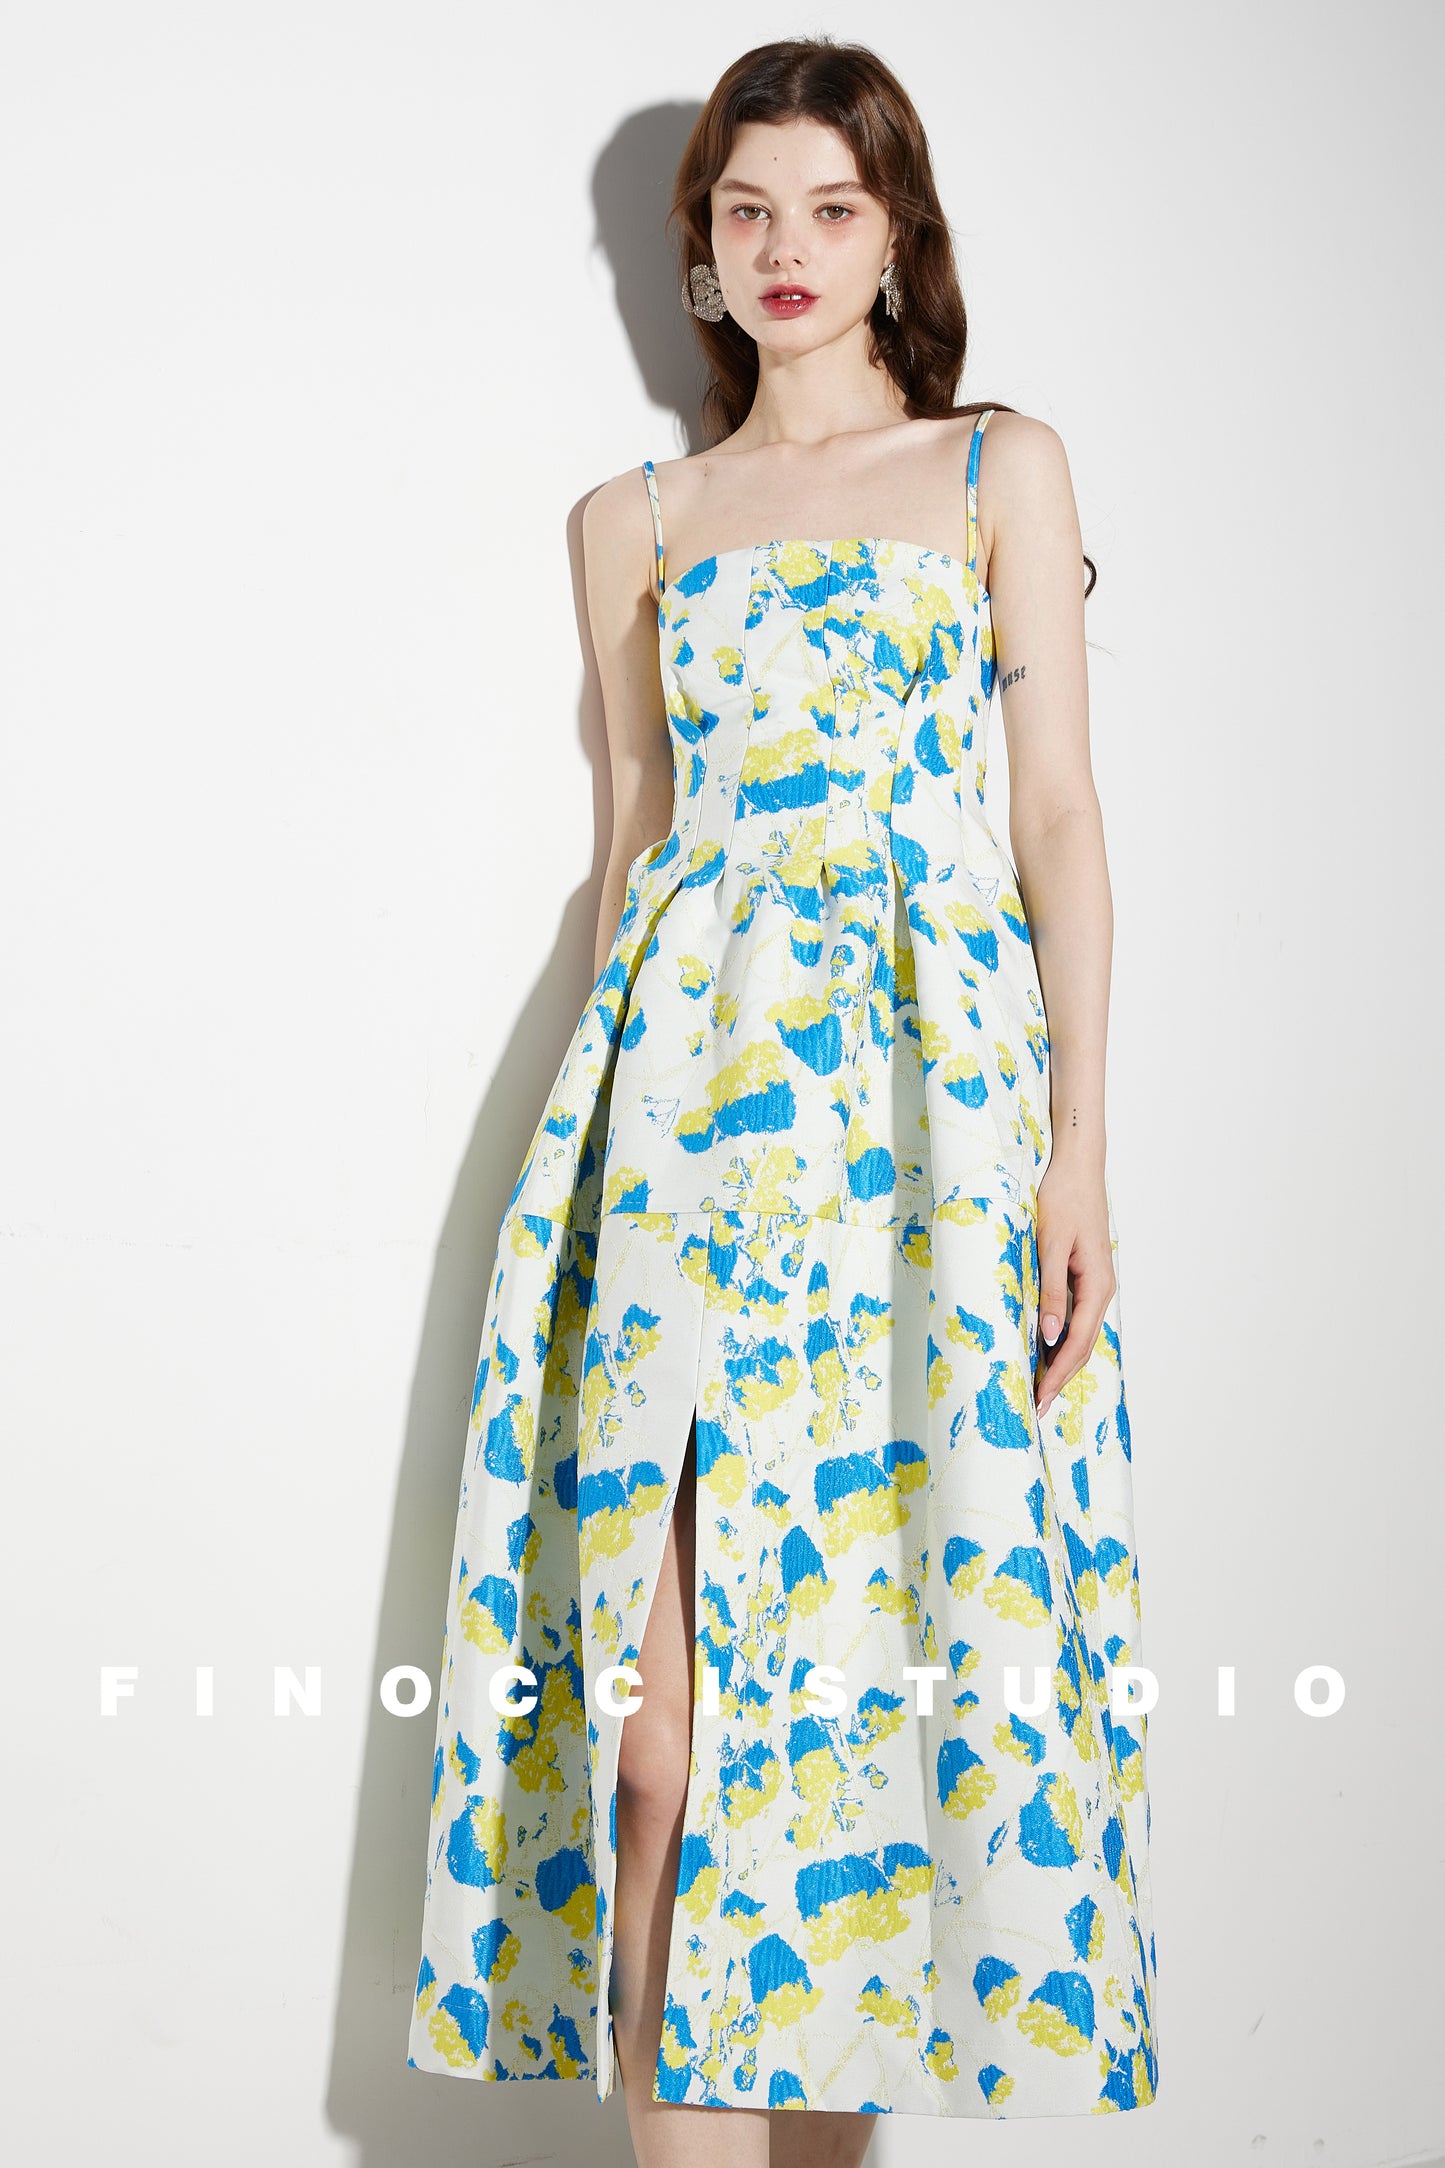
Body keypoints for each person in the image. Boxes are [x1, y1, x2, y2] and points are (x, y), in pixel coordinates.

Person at [408, 34, 1157, 2164]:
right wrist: (579, 1184)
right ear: (700, 255)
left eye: (831, 206)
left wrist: (1078, 1148)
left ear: (895, 233)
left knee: (855, 1764)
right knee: (659, 1752)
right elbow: (630, 851)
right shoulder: (631, 522)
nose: (787, 247)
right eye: (748, 212)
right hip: (674, 1126)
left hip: (928, 1136)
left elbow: (1059, 818)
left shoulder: (999, 469)